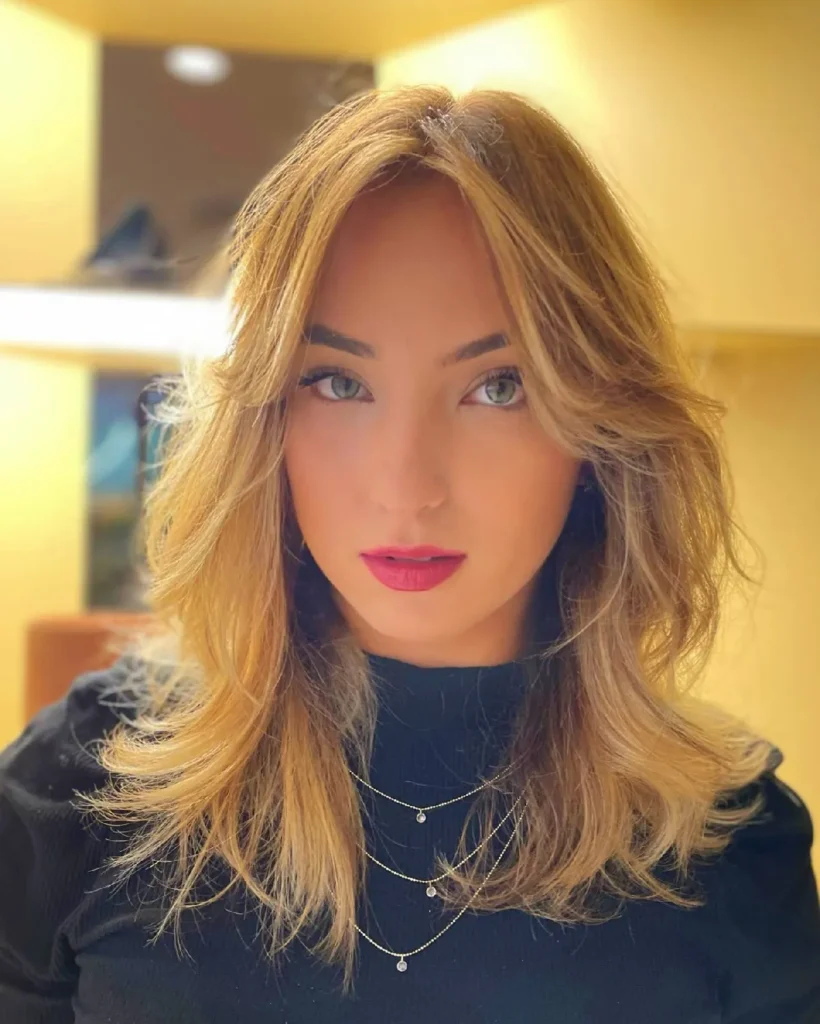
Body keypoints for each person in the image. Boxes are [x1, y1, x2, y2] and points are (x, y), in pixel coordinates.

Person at [1, 85, 818, 1023]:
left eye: (499, 387)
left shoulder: (730, 854)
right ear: (265, 419)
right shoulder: (82, 791)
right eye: (338, 382)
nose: (406, 487)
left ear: (601, 431)